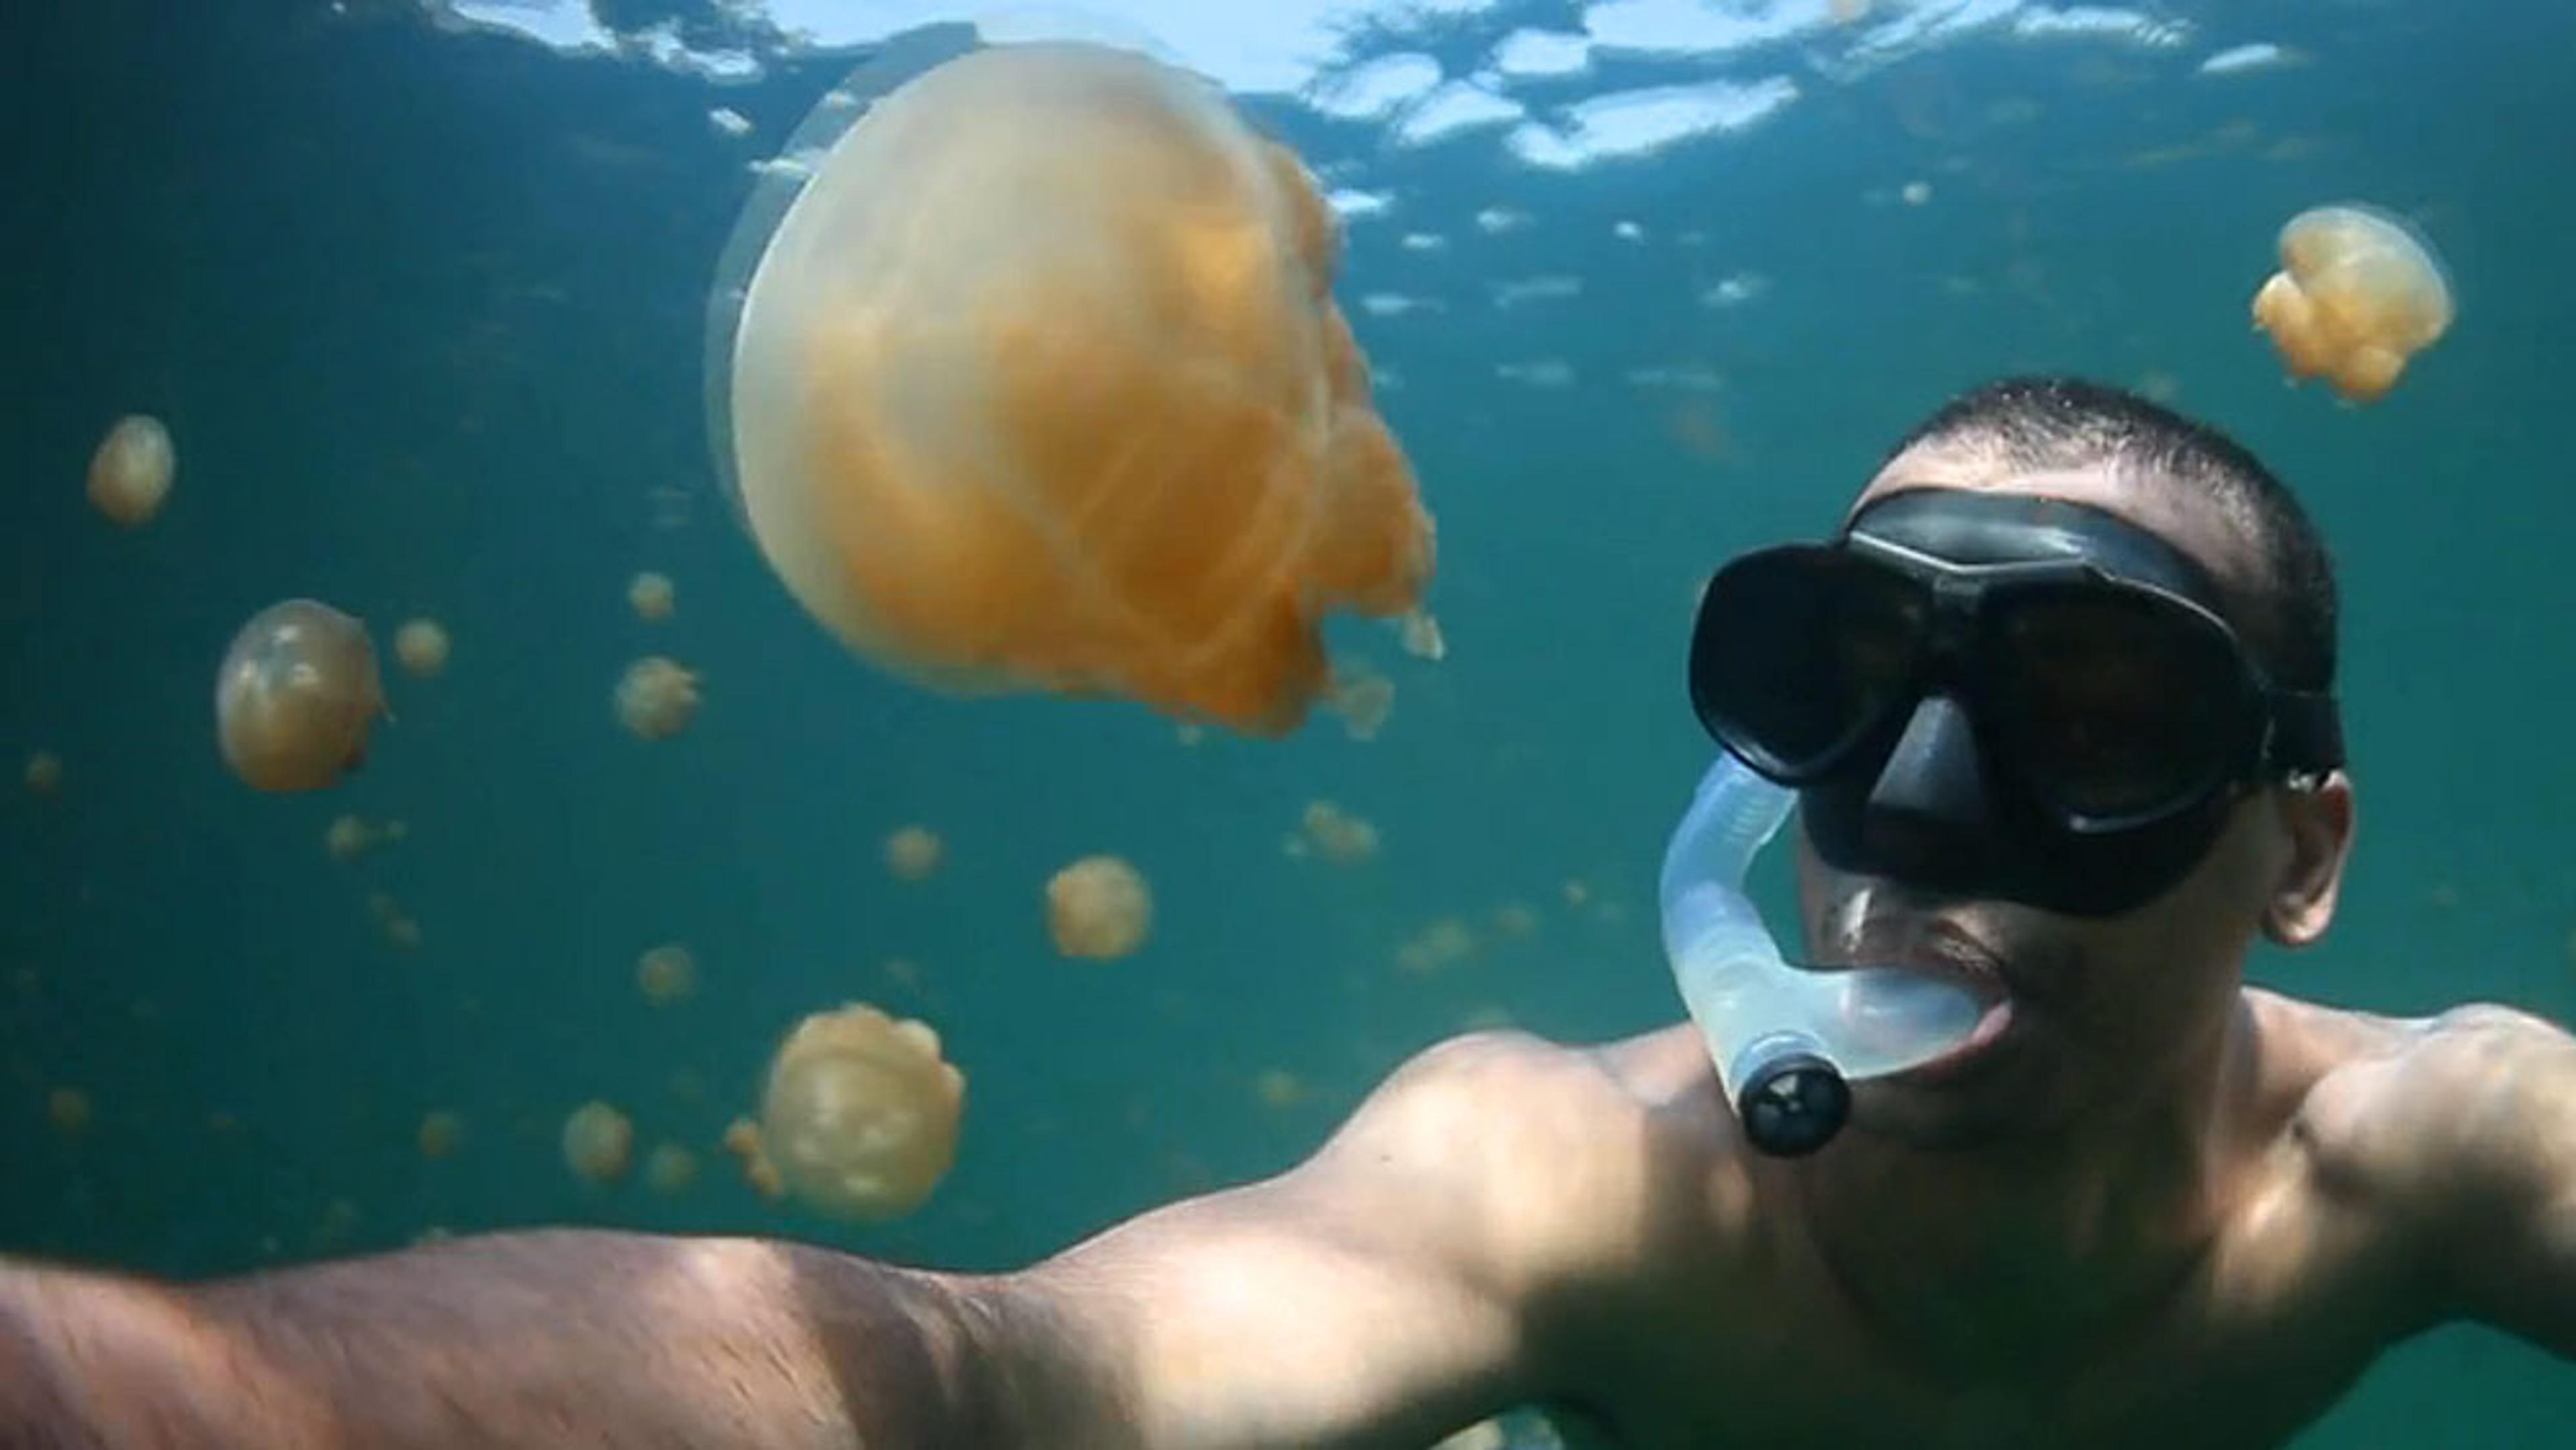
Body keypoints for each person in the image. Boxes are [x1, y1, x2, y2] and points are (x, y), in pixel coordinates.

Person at [5, 377, 2569, 1449]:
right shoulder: (1579, 1185)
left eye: (2097, 721)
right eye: (1847, 681)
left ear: (2300, 845)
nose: (1912, 815)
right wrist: (158, 1401)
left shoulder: (2431, 1151)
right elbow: (1000, 1384)